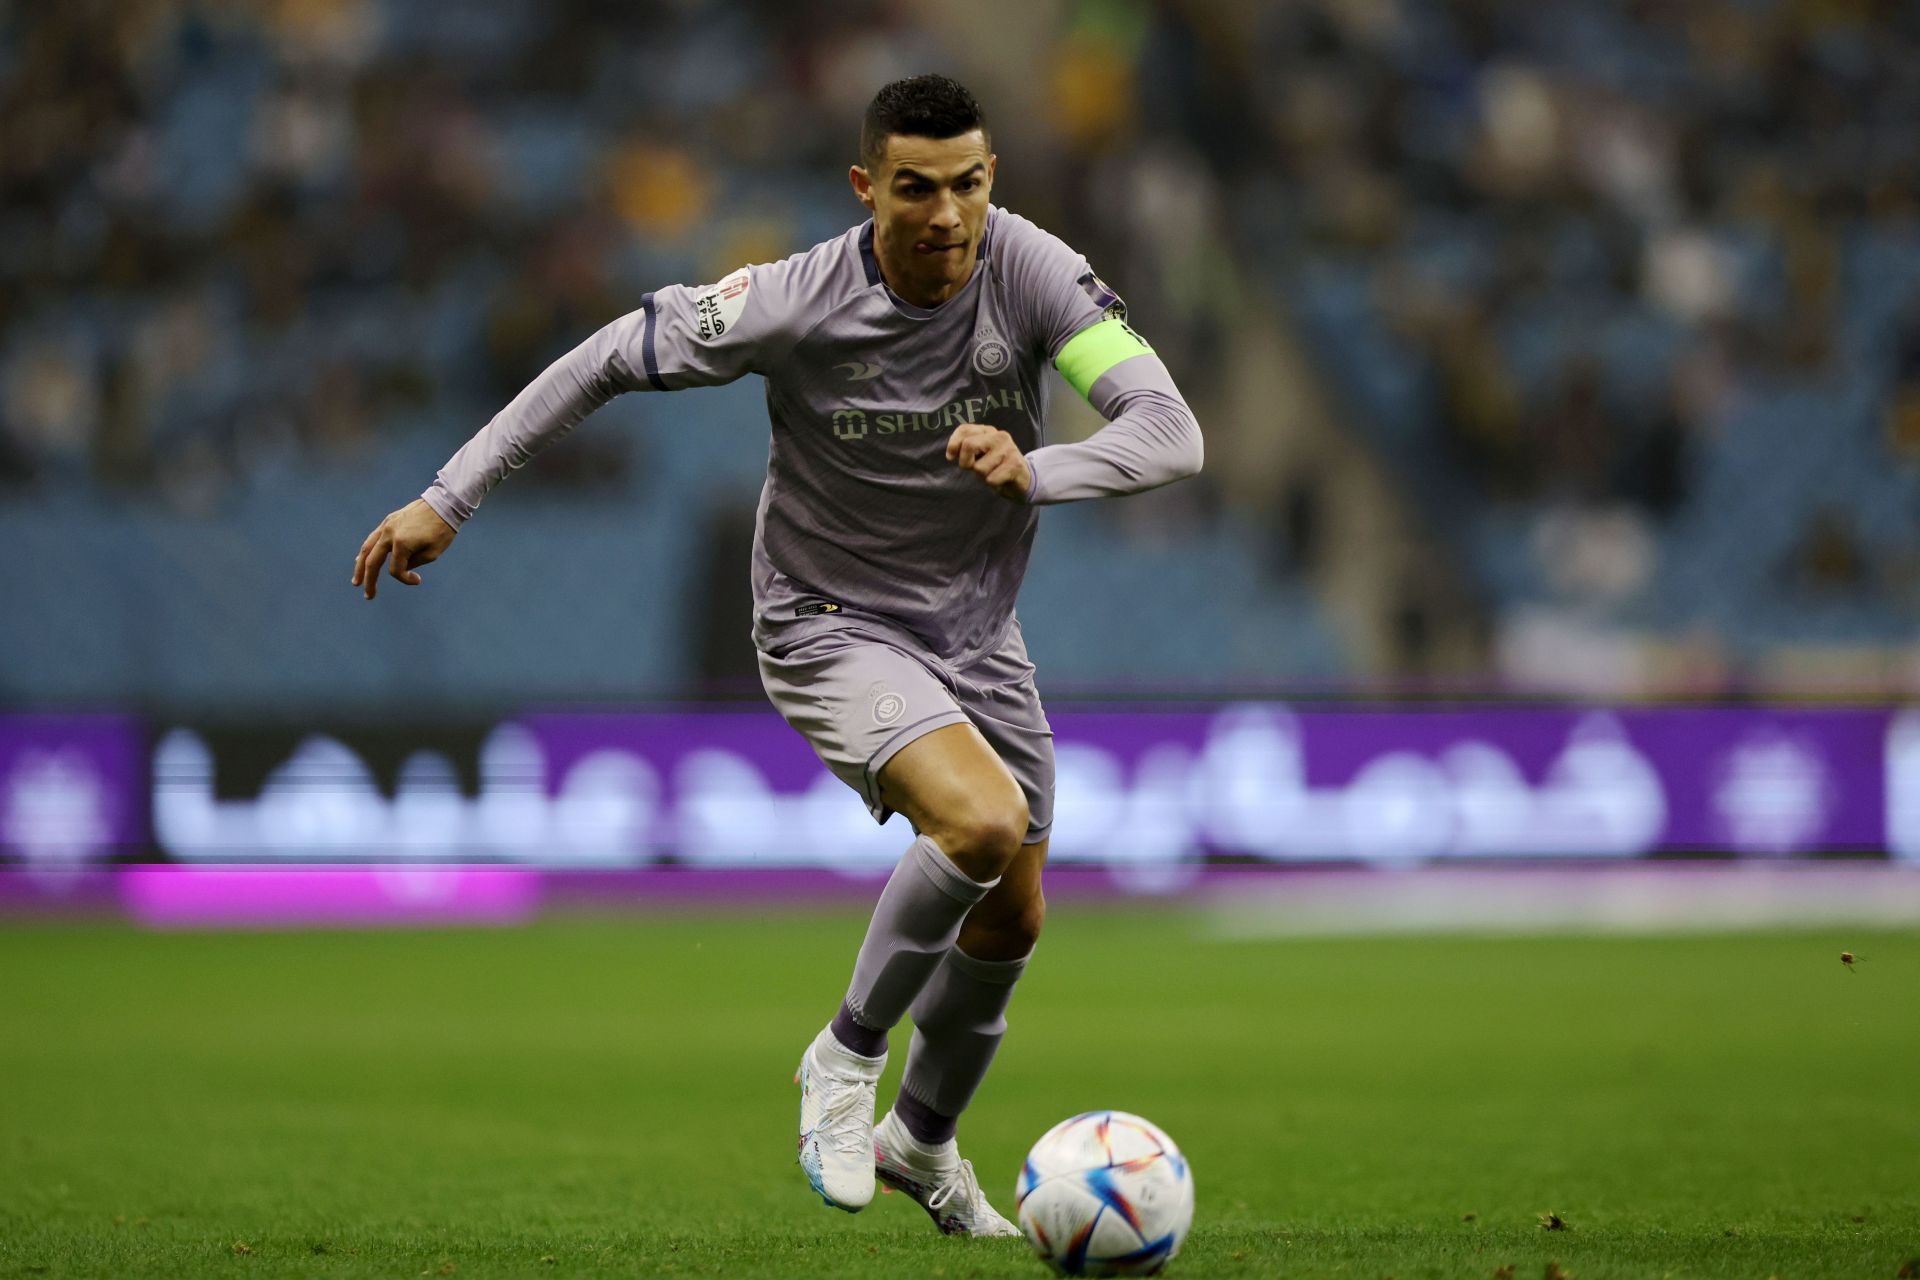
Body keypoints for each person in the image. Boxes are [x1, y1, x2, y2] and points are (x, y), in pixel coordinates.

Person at [350, 74, 1202, 1236]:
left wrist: (1036, 467)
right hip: (827, 617)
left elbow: (1172, 430)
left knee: (1012, 916)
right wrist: (450, 496)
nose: (948, 215)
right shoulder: (792, 299)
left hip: (976, 628)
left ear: (990, 179)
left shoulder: (1040, 274)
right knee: (984, 821)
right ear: (867, 188)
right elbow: (607, 354)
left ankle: (923, 1138)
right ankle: (843, 1060)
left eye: (968, 185)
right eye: (917, 189)